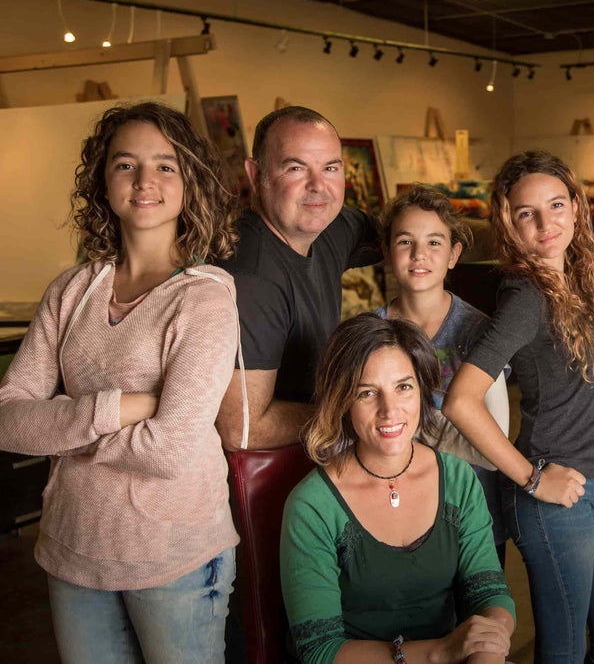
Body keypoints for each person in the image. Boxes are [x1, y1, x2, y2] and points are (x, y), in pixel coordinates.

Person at [0, 102, 241, 662]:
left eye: (165, 166)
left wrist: (59, 431)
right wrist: (126, 407)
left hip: (173, 557)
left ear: (189, 183)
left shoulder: (204, 296)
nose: (144, 181)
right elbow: (8, 418)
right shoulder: (71, 289)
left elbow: (171, 450)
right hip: (71, 550)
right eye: (125, 164)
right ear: (103, 181)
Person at [443, 150, 594, 663]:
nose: (546, 223)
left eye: (556, 205)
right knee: (564, 654)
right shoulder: (525, 298)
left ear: (577, 207)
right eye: (526, 213)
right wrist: (533, 479)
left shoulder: (577, 280)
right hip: (552, 501)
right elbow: (461, 400)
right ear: (509, 224)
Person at [280, 314, 515, 664]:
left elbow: (489, 591)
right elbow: (319, 650)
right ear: (344, 401)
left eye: (403, 387)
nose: (389, 411)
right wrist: (439, 651)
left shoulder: (458, 479)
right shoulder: (312, 505)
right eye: (367, 392)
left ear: (421, 390)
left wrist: (488, 648)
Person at [216, 106, 380, 451]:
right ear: (255, 174)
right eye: (295, 168)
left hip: (313, 458)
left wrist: (508, 239)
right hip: (264, 485)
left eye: (331, 168)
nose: (319, 187)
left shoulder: (330, 227)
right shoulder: (250, 277)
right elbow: (242, 430)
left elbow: (417, 233)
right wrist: (353, 412)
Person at [373, 185, 510, 565]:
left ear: (454, 255)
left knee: (480, 617)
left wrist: (407, 435)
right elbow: (360, 438)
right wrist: (453, 429)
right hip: (395, 515)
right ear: (386, 252)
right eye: (405, 241)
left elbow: (489, 449)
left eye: (435, 242)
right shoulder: (369, 334)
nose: (420, 255)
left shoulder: (481, 333)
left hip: (475, 515)